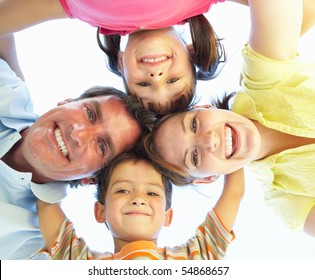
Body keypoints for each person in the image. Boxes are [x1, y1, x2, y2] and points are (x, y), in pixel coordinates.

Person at [143, 0, 315, 237]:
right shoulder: (285, 198)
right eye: (194, 157)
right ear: (208, 179)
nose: (208, 141)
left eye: (194, 124)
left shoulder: (263, 81)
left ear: (204, 108)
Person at [0, 34, 155, 259]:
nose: (77, 134)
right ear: (67, 101)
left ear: (90, 179)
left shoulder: (30, 248)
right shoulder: (8, 91)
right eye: (90, 114)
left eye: (101, 146)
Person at [0, 0, 254, 114]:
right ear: (191, 53)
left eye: (143, 84)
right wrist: (255, 72)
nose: (156, 77)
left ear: (121, 64)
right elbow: (293, 17)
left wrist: (18, 97)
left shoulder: (78, 7)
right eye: (173, 80)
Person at [34, 151, 244, 260]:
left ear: (167, 216)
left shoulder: (196, 258)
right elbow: (46, 201)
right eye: (122, 190)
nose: (138, 199)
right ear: (101, 211)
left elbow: (234, 193)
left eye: (152, 193)